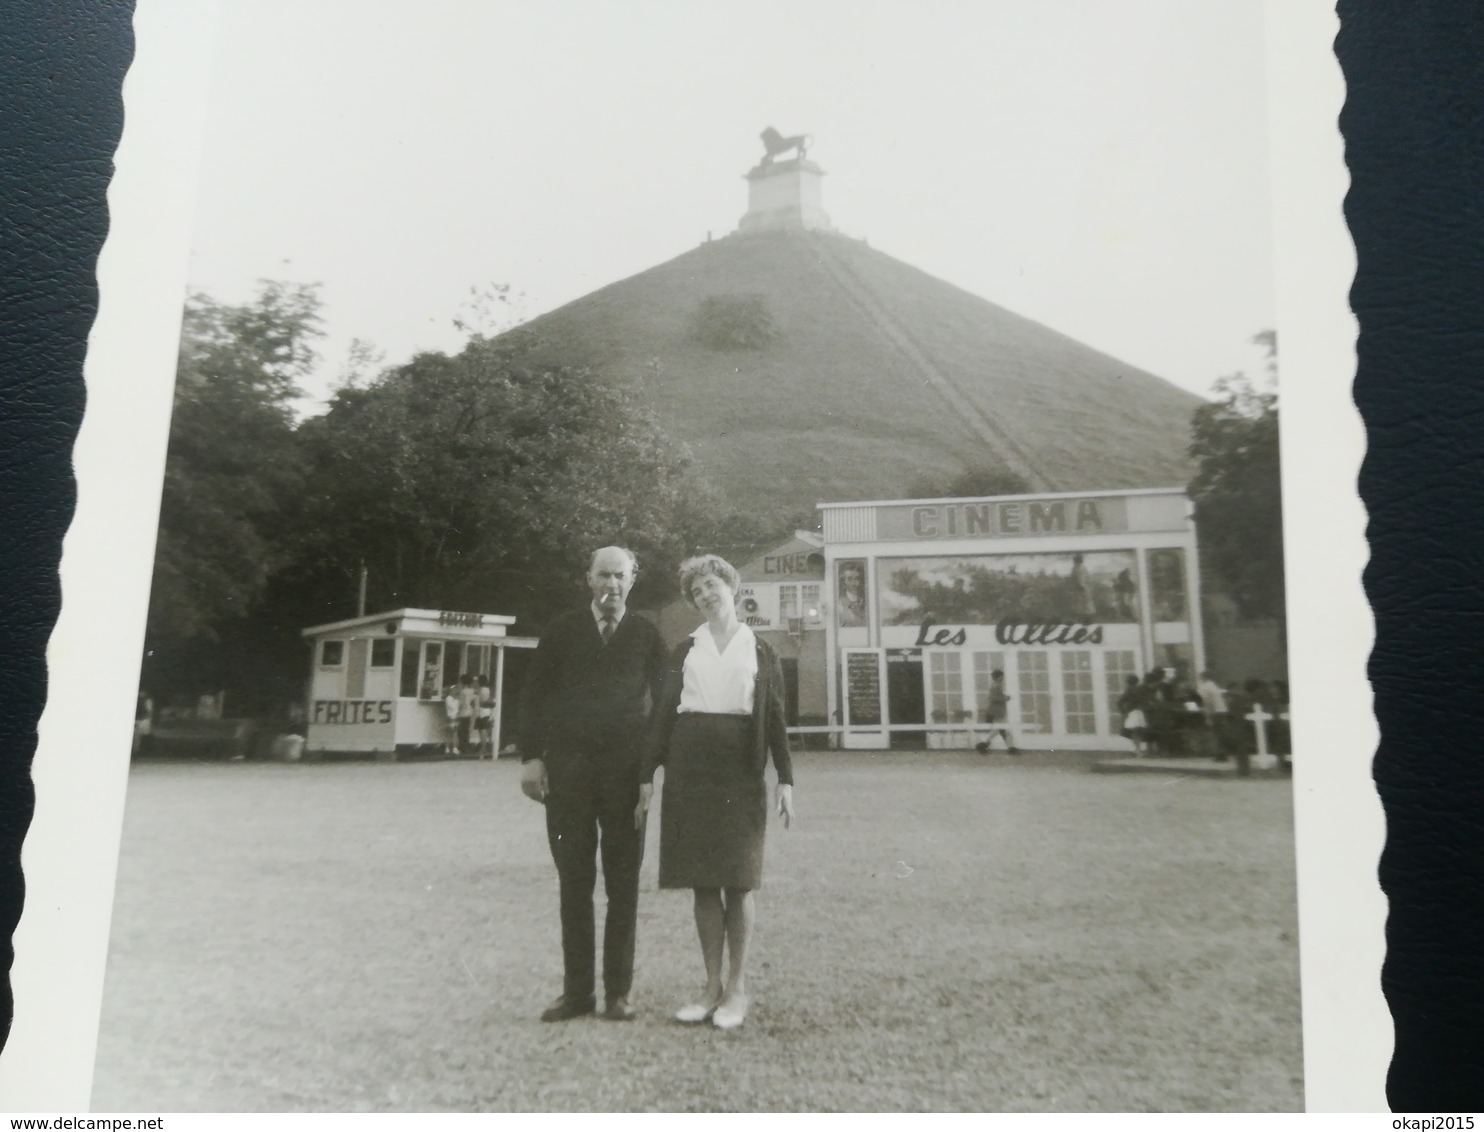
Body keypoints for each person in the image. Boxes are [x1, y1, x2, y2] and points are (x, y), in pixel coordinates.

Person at [637, 554, 795, 1031]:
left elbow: (776, 719)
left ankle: (737, 990)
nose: (706, 595)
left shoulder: (760, 650)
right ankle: (710, 987)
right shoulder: (683, 650)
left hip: (740, 772)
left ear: (731, 587)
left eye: (712, 585)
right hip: (689, 770)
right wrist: (647, 775)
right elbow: (662, 716)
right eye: (696, 592)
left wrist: (785, 778)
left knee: (739, 879)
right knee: (703, 882)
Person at [516, 546, 668, 1023]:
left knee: (623, 885)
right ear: (588, 578)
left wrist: (650, 772)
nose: (611, 584)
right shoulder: (561, 632)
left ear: (632, 580)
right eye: (603, 574)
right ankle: (576, 993)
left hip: (625, 778)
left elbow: (665, 706)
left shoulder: (647, 634)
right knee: (574, 883)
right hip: (568, 776)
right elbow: (533, 696)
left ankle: (618, 993)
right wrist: (531, 758)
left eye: (620, 575)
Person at [974, 669, 1018, 754]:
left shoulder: (996, 686)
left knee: (1000, 729)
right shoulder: (996, 686)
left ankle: (1010, 748)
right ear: (998, 677)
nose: (1003, 678)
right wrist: (1006, 698)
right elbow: (993, 698)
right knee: (1002, 729)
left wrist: (1004, 697)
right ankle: (1010, 748)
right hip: (996, 712)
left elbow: (996, 697)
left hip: (996, 712)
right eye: (1002, 676)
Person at [456, 672, 478, 754]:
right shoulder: (472, 691)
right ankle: (466, 746)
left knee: (461, 731)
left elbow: (461, 703)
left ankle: (462, 747)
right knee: (466, 730)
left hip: (463, 712)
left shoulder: (463, 692)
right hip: (470, 711)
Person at [475, 673, 494, 756]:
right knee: (487, 730)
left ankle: (483, 748)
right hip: (487, 712)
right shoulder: (488, 689)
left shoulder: (480, 690)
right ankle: (489, 747)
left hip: (481, 712)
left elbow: (479, 701)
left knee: (482, 730)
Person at [442, 683, 461, 756]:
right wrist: (457, 701)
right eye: (454, 689)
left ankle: (454, 747)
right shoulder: (449, 698)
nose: (456, 691)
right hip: (450, 716)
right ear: (451, 690)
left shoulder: (454, 698)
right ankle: (448, 748)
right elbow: (453, 707)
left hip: (455, 717)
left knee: (454, 733)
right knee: (450, 733)